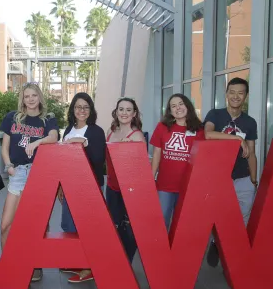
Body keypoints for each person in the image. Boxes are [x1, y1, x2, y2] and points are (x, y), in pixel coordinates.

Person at [0, 83, 59, 282]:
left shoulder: (47, 119)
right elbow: (5, 146)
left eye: (34, 95)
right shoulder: (12, 117)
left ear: (40, 97)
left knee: (36, 222)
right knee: (5, 225)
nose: (30, 99)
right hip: (17, 172)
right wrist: (8, 166)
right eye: (27, 96)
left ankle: (35, 265)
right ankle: (8, 265)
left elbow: (53, 137)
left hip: (37, 173)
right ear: (22, 99)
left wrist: (36, 142)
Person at [204, 77, 257, 267]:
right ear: (227, 94)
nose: (236, 96)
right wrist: (236, 139)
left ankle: (230, 252)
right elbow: (208, 135)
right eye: (232, 92)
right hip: (219, 177)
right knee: (216, 214)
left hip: (242, 177)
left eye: (240, 93)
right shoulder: (215, 115)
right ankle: (216, 241)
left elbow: (251, 153)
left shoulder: (250, 122)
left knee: (242, 216)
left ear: (246, 96)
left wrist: (253, 179)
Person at [58, 93, 106, 284]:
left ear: (91, 110)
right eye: (78, 107)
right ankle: (77, 261)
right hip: (69, 185)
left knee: (89, 228)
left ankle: (89, 268)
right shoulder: (69, 129)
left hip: (89, 187)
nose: (82, 111)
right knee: (69, 226)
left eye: (86, 107)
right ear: (72, 110)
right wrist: (60, 184)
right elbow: (63, 159)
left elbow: (98, 160)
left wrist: (83, 143)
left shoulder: (96, 131)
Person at [151, 94, 205, 228]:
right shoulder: (162, 127)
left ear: (187, 105)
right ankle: (161, 249)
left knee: (182, 225)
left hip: (188, 186)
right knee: (161, 222)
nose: (178, 108)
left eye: (180, 104)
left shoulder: (198, 130)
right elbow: (157, 153)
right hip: (165, 186)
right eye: (173, 106)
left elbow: (201, 159)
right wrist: (151, 178)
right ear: (170, 111)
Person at [106, 97, 146, 263]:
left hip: (128, 190)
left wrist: (132, 149)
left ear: (134, 113)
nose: (124, 113)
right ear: (116, 112)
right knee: (114, 225)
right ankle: (117, 261)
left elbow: (140, 168)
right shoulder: (111, 130)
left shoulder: (136, 136)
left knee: (129, 227)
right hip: (112, 187)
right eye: (121, 109)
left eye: (128, 110)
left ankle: (126, 262)